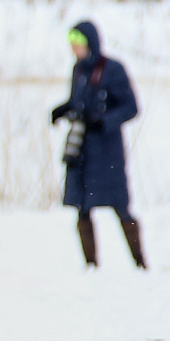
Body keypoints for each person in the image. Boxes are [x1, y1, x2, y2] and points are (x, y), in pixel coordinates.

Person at [50, 21, 144, 269]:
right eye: (72, 46)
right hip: (83, 151)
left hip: (107, 152)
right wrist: (63, 109)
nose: (74, 50)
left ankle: (140, 263)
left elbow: (131, 108)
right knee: (82, 207)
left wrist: (103, 122)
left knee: (120, 206)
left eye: (78, 45)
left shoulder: (113, 70)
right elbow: (78, 102)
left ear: (90, 44)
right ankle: (91, 266)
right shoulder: (78, 70)